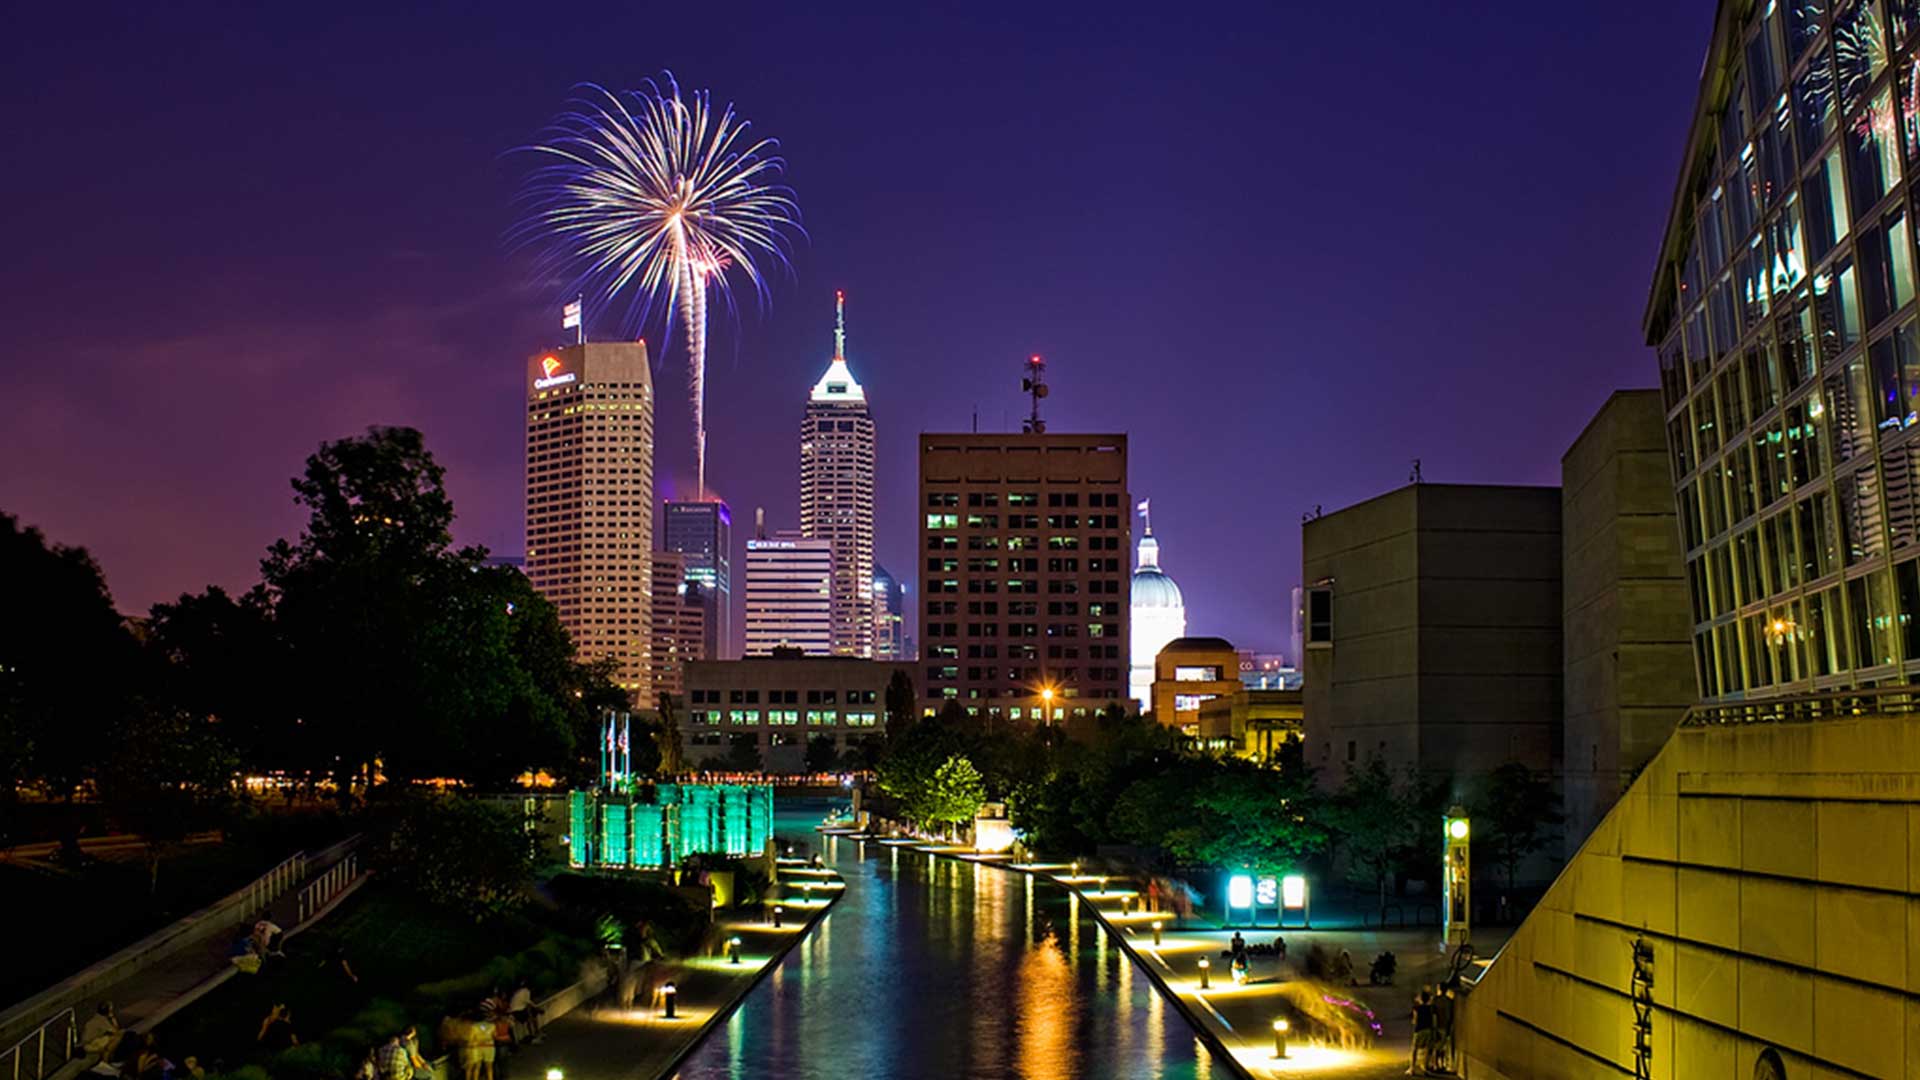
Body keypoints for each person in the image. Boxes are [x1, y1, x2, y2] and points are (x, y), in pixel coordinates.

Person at [1409, 988, 1436, 1075]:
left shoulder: (1416, 1008)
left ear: (1421, 998)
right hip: (1428, 1029)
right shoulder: (1430, 1008)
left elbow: (1415, 1020)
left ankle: (1412, 1068)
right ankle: (1425, 1067)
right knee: (1427, 1049)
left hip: (1419, 1029)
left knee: (1414, 1049)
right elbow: (1433, 1019)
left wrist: (1414, 1021)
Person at [509, 978, 544, 1044]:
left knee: (532, 1014)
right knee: (530, 1018)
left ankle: (536, 1033)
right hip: (518, 1011)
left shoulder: (518, 991)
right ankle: (533, 1036)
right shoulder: (526, 991)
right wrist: (537, 1008)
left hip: (515, 1011)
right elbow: (528, 1002)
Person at [1434, 987, 1456, 1073]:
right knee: (1443, 1046)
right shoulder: (1449, 1001)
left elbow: (1433, 1013)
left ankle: (1436, 1064)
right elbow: (1451, 1015)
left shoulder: (1436, 1000)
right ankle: (1442, 1064)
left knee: (1438, 1046)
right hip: (1446, 1026)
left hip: (1438, 1025)